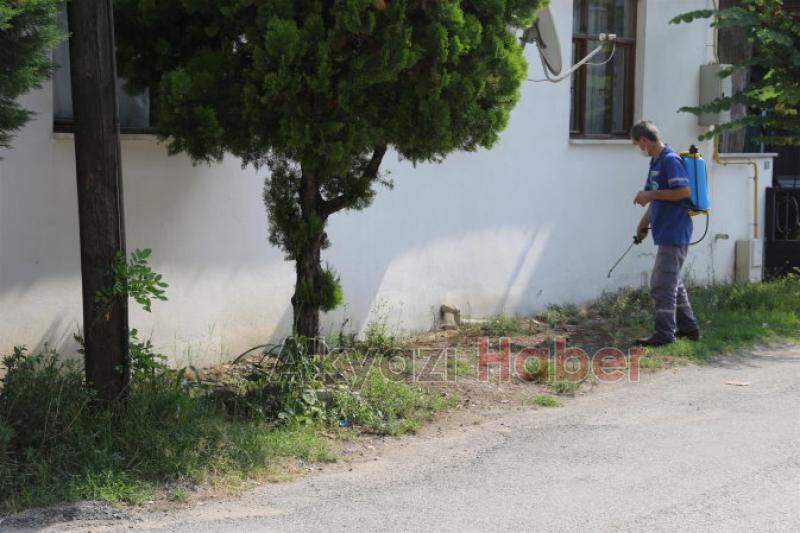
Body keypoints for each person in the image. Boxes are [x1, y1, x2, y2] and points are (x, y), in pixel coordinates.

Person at [631, 120, 700, 346]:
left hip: (675, 231)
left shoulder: (669, 160)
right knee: (673, 283)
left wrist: (649, 195)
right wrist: (643, 224)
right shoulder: (656, 162)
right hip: (666, 230)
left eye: (638, 144)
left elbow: (683, 191)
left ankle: (664, 334)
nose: (639, 149)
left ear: (644, 140)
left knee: (662, 284)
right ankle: (689, 329)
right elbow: (656, 196)